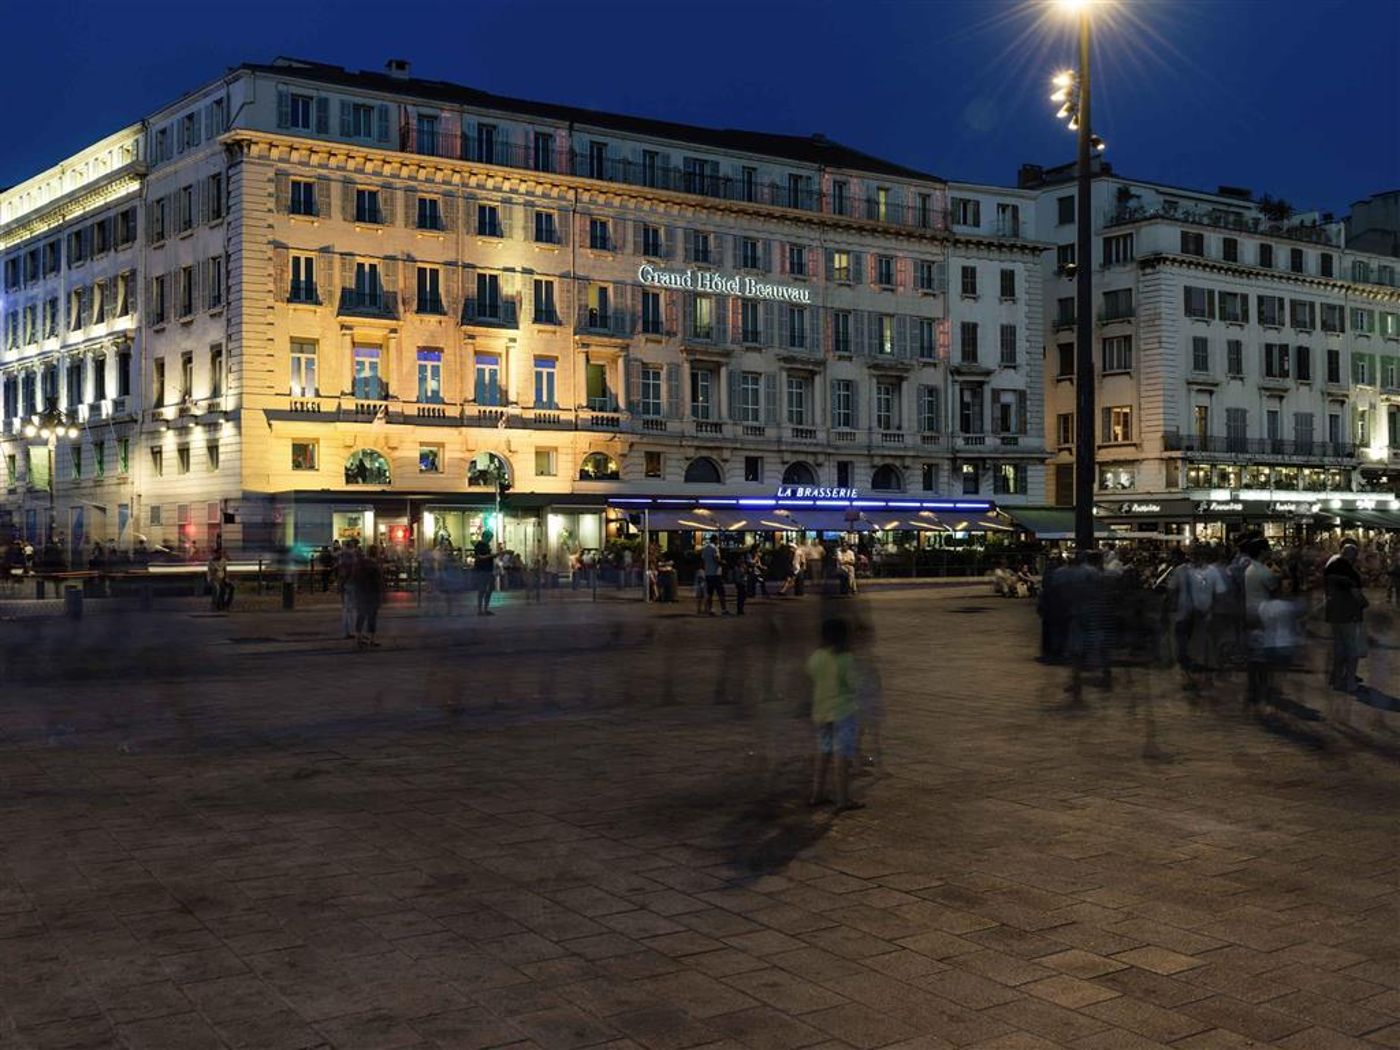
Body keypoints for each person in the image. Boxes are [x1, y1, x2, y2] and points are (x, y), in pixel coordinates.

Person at [806, 617, 862, 812]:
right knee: (842, 756)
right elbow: (855, 684)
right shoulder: (846, 659)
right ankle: (843, 799)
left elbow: (811, 674)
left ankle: (817, 794)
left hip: (821, 712)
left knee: (823, 753)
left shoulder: (817, 656)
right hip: (843, 713)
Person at [1324, 540, 1368, 694]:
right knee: (1352, 649)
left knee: (1339, 647)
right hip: (1349, 615)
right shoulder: (1351, 573)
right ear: (1353, 556)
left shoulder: (1330, 568)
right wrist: (1365, 603)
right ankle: (1350, 682)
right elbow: (1356, 595)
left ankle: (1337, 681)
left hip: (1333, 613)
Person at [352, 544, 384, 649]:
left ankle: (358, 638)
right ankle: (371, 639)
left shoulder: (360, 563)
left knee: (361, 615)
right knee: (372, 616)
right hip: (372, 593)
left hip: (361, 592)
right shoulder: (374, 565)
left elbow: (354, 577)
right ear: (376, 553)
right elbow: (378, 581)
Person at [700, 535, 728, 615]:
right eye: (717, 540)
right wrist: (723, 563)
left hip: (708, 573)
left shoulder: (705, 548)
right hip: (716, 573)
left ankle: (711, 609)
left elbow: (702, 559)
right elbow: (716, 559)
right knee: (721, 592)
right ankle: (724, 610)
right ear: (715, 540)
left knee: (710, 593)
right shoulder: (714, 548)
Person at [473, 530, 497, 616]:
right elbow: (479, 557)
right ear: (485, 537)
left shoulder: (486, 546)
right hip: (482, 570)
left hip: (488, 570)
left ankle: (485, 609)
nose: (490, 540)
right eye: (489, 538)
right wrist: (492, 556)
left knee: (489, 589)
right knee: (482, 589)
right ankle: (480, 610)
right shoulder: (479, 546)